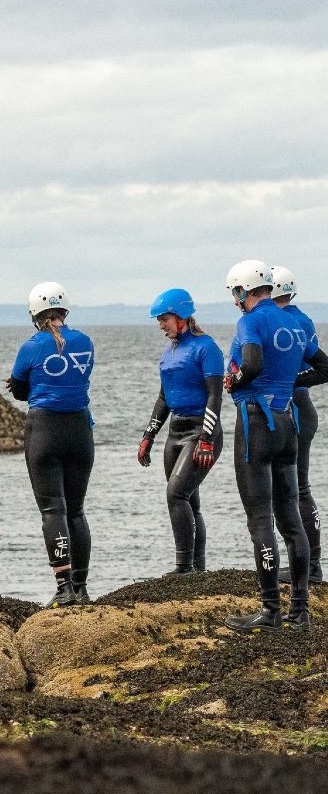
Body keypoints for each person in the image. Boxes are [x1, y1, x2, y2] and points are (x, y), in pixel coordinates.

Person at [223, 261, 328, 633]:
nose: (235, 300)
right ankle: (300, 612)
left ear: (243, 291)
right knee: (292, 519)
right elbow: (325, 366)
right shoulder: (295, 323)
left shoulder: (250, 322)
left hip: (256, 422)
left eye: (234, 293)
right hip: (288, 422)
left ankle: (270, 612)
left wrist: (235, 381)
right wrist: (289, 380)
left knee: (260, 521)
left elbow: (251, 364)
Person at [8, 282, 95, 608]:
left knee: (52, 510)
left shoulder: (31, 346)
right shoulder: (85, 341)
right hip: (79, 430)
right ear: (65, 310)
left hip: (45, 431)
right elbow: (78, 381)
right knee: (76, 511)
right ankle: (82, 587)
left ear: (35, 314)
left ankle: (63, 588)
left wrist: (26, 384)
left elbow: (19, 390)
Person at [137, 289, 224, 575]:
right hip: (175, 431)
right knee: (188, 499)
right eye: (158, 320)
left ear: (181, 316)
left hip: (201, 430)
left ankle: (184, 567)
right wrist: (150, 435)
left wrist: (207, 440)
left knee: (176, 494)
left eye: (164, 319)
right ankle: (198, 569)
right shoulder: (169, 352)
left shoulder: (206, 347)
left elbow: (215, 396)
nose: (160, 325)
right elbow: (164, 398)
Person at [269, 266, 323, 584]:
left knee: (298, 490)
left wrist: (287, 382)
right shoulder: (300, 317)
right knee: (296, 489)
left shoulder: (288, 321)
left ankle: (311, 566)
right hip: (300, 407)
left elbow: (320, 368)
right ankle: (309, 564)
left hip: (297, 408)